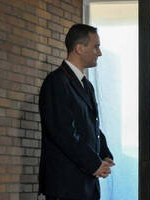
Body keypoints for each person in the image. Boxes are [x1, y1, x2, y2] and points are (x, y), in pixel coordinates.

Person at [38, 24, 114, 200]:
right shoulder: (56, 82)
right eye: (96, 47)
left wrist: (104, 154)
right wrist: (94, 163)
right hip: (65, 186)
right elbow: (63, 132)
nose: (99, 53)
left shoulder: (87, 86)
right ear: (79, 48)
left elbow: (90, 124)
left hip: (85, 185)